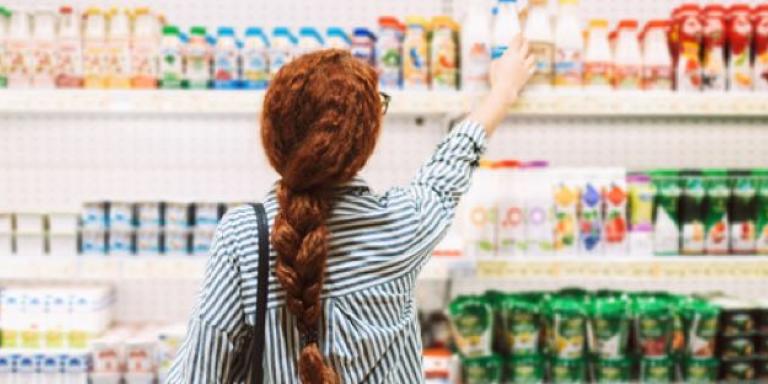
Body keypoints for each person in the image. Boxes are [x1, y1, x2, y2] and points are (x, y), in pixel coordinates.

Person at [168, 35, 533, 383]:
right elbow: (450, 164)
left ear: (272, 134)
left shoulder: (244, 236)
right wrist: (502, 92)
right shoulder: (402, 224)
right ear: (363, 139)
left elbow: (199, 373)